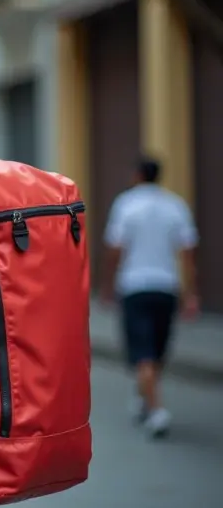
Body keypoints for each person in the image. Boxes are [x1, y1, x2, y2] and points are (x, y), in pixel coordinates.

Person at [101, 156, 199, 439]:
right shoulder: (176, 205)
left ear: (137, 175)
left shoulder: (126, 204)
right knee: (157, 349)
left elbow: (115, 249)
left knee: (144, 352)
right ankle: (148, 399)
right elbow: (187, 253)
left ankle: (155, 409)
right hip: (166, 287)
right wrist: (190, 293)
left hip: (134, 287)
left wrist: (108, 284)